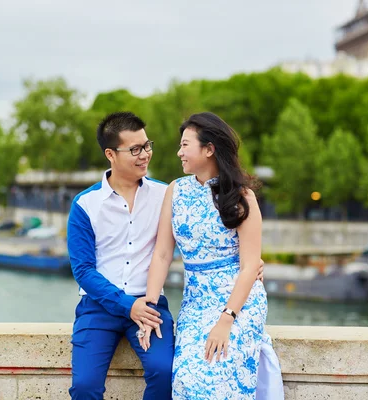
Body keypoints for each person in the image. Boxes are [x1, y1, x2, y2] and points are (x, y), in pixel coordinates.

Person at [66, 111, 276, 400]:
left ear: (209, 149)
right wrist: (132, 306)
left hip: (180, 304)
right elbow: (86, 271)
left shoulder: (165, 193)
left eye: (147, 146)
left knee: (167, 372)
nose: (146, 155)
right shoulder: (86, 204)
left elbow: (241, 254)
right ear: (110, 154)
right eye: (135, 149)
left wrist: (250, 267)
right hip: (102, 307)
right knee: (85, 386)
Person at [140, 112, 284, 399]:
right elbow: (162, 254)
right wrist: (150, 308)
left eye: (185, 145)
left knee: (217, 374)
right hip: (196, 300)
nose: (179, 152)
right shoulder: (176, 190)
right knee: (185, 378)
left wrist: (226, 319)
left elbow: (250, 266)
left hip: (239, 302)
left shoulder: (243, 196)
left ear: (208, 149)